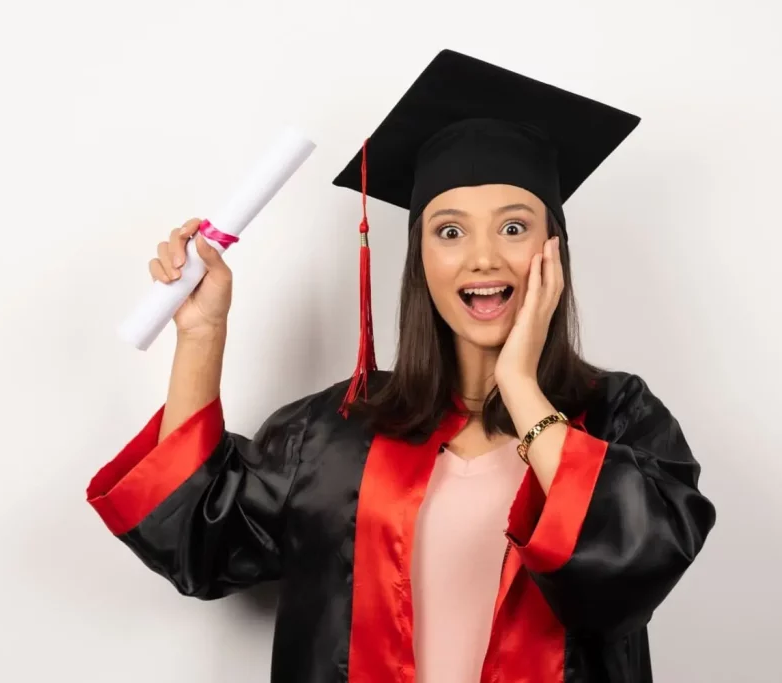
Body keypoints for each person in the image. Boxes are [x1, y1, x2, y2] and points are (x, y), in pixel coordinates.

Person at [86, 49, 716, 683]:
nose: (482, 259)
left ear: (553, 252)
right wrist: (201, 334)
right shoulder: (336, 430)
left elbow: (640, 565)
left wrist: (520, 386)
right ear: (419, 260)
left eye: (514, 228)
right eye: (449, 232)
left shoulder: (618, 419)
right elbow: (192, 537)